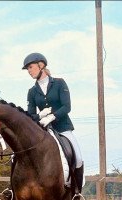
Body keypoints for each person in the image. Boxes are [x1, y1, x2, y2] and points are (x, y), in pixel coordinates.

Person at [23, 52, 84, 195]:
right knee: (16, 156)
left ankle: (76, 192)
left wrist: (52, 117)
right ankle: (12, 190)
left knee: (79, 158)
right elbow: (30, 116)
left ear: (41, 65)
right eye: (28, 69)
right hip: (42, 130)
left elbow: (66, 106)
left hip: (62, 128)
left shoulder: (59, 83)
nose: (29, 71)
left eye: (31, 67)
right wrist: (41, 115)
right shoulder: (32, 92)